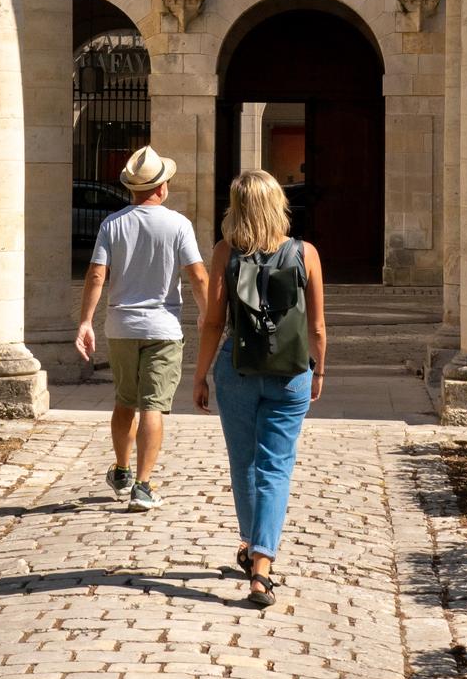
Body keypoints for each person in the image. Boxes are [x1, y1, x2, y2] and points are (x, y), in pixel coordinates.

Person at [192, 168, 326, 609]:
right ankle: (262, 564)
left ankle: (254, 550)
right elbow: (318, 327)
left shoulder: (225, 252)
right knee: (276, 467)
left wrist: (199, 374)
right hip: (291, 374)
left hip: (238, 371)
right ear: (278, 205)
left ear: (237, 207)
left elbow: (213, 321)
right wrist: (319, 372)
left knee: (244, 464)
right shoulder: (305, 253)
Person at [75, 144, 209, 511]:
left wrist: (86, 321)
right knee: (154, 406)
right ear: (162, 187)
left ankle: (121, 471)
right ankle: (144, 485)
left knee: (124, 400)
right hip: (163, 327)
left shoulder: (112, 224)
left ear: (130, 189)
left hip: (121, 324)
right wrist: (207, 313)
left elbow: (97, 274)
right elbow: (197, 275)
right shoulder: (178, 224)